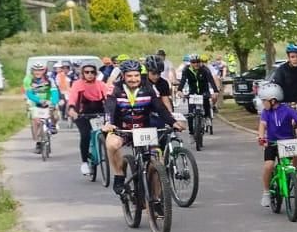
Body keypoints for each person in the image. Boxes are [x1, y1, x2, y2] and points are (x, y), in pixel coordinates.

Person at [104, 59, 183, 201]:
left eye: (136, 75)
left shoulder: (148, 88)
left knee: (157, 164)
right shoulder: (116, 89)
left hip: (144, 130)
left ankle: (157, 199)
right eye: (129, 76)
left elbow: (159, 107)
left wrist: (173, 122)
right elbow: (109, 106)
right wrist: (108, 123)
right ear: (123, 76)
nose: (133, 79)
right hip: (123, 129)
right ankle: (119, 175)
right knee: (112, 144)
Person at [256, 82, 297, 207]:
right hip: (272, 143)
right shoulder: (266, 112)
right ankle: (266, 192)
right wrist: (261, 137)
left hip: (287, 142)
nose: (263, 103)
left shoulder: (287, 110)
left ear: (273, 100)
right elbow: (262, 125)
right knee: (269, 166)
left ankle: (294, 174)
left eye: (264, 100)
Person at [65, 61, 109, 176]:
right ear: (82, 73)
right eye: (87, 72)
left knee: (108, 133)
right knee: (85, 135)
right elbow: (73, 98)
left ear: (96, 73)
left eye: (92, 72)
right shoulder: (77, 84)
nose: (90, 74)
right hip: (82, 115)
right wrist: (72, 110)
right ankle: (84, 162)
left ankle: (102, 148)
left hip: (99, 114)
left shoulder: (100, 84)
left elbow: (108, 97)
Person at [24, 66, 60, 151]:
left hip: (48, 100)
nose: (38, 72)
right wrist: (39, 100)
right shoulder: (29, 81)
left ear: (44, 71)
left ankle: (53, 125)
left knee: (55, 114)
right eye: (36, 70)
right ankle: (39, 142)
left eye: (40, 70)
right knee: (36, 121)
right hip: (35, 102)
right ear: (32, 71)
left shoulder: (50, 80)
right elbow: (29, 94)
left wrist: (53, 102)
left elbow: (54, 92)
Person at [177, 53, 218, 122]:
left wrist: (215, 91)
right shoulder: (186, 69)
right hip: (193, 91)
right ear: (190, 63)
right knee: (191, 110)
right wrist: (179, 90)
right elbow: (183, 80)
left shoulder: (205, 69)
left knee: (206, 102)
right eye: (193, 62)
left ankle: (207, 117)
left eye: (198, 62)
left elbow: (211, 80)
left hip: (204, 90)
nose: (196, 64)